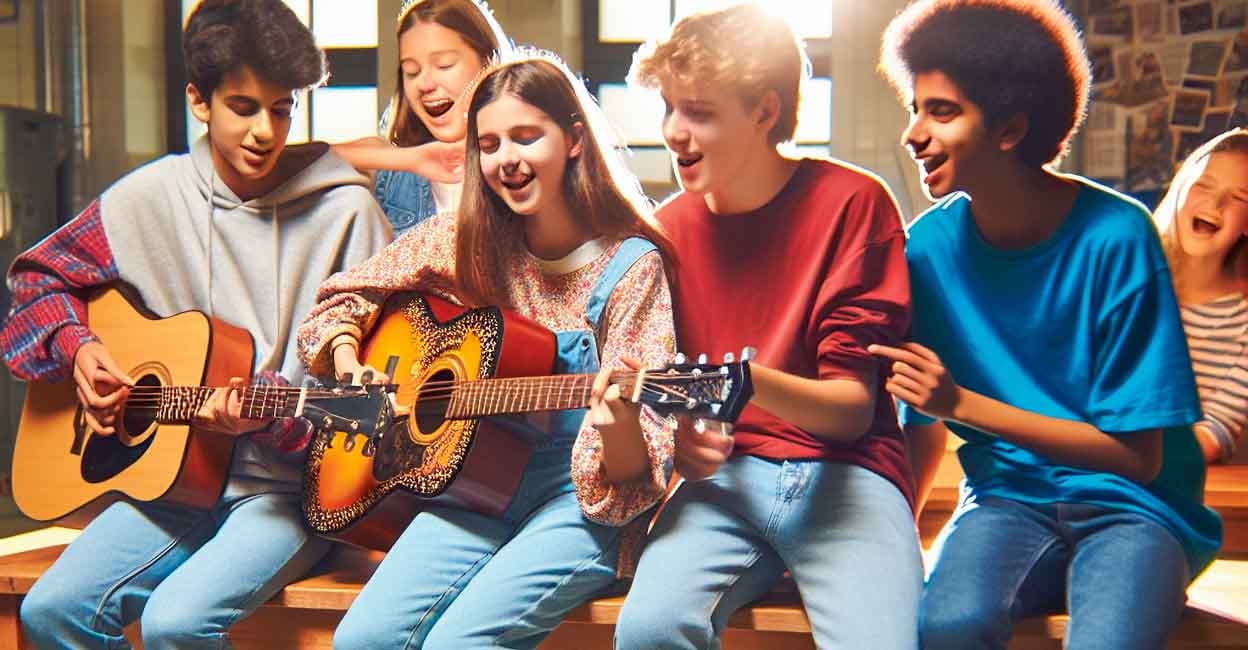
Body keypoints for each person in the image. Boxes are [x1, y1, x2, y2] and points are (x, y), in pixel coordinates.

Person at [0, 1, 392, 647]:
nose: (265, 131)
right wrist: (79, 349)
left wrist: (274, 420)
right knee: (49, 612)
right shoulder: (147, 198)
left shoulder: (349, 215)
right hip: (173, 482)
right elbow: (37, 282)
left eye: (282, 108)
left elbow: (377, 411)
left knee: (176, 624)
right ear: (199, 101)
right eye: (244, 107)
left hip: (285, 492)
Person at [297, 54, 677, 649]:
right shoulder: (463, 239)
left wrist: (620, 423)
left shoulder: (631, 267)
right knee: (359, 642)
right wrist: (351, 367)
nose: (507, 159)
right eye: (490, 143)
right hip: (472, 483)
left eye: (527, 137)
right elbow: (338, 302)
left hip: (579, 500)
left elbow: (634, 474)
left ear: (574, 139)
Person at [875, 0, 1223, 648]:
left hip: (1136, 511)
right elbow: (921, 433)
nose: (913, 133)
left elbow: (1138, 458)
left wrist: (961, 403)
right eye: (914, 109)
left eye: (941, 111)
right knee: (945, 626)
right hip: (1005, 505)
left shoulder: (1118, 237)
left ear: (1010, 129)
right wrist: (895, 549)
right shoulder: (925, 251)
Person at [612, 5, 921, 649]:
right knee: (648, 630)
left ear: (764, 111)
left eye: (699, 111)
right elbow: (680, 411)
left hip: (849, 473)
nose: (674, 130)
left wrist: (746, 381)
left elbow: (851, 413)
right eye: (668, 106)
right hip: (727, 481)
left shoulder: (853, 203)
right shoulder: (665, 233)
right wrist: (688, 442)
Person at [333, 0, 512, 234]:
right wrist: (412, 159)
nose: (425, 84)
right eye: (412, 72)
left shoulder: (526, 162)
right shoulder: (393, 176)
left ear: (489, 62)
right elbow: (282, 163)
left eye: (444, 65)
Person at [1154, 129, 1248, 464]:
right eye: (1204, 185)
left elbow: (1213, 436)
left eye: (1239, 197)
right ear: (1180, 187)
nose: (1215, 203)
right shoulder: (1124, 277)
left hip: (1170, 495)